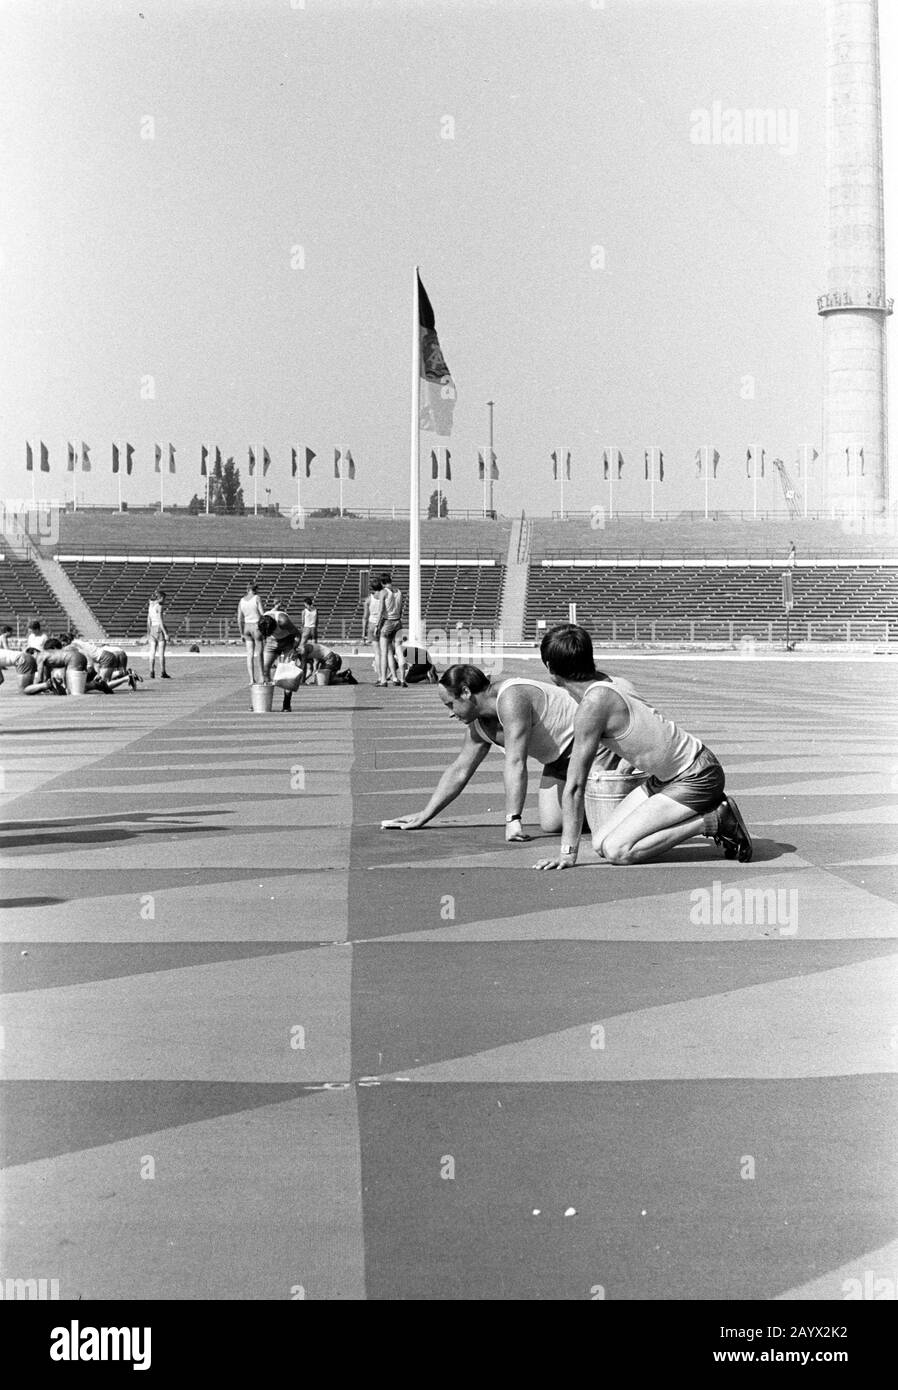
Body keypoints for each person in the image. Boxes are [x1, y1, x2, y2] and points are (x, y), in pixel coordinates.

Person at [532, 624, 752, 870]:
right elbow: (645, 729)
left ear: (550, 668)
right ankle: (707, 814)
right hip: (670, 775)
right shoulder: (615, 682)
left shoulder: (592, 706)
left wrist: (567, 854)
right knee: (600, 843)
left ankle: (714, 819)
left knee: (617, 851)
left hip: (697, 776)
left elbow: (574, 786)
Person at [381, 663, 613, 839]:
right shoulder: (478, 725)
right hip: (559, 758)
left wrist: (513, 820)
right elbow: (460, 770)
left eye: (450, 704)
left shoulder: (512, 697)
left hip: (593, 742)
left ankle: (626, 798)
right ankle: (597, 808)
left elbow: (516, 762)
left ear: (465, 692)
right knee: (552, 824)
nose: (450, 713)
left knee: (606, 821)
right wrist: (425, 814)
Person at [258, 608, 301, 709]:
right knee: (264, 668)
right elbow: (262, 639)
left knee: (288, 673)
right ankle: (262, 700)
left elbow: (298, 634)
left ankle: (286, 703)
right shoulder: (262, 622)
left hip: (287, 641)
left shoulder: (283, 621)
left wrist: (294, 649)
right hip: (271, 642)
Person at [375, 573, 404, 686]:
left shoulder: (384, 592)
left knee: (384, 653)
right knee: (396, 650)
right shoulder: (399, 591)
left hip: (388, 622)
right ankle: (397, 678)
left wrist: (377, 625)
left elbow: (381, 610)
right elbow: (401, 609)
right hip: (398, 622)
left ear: (382, 583)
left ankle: (383, 679)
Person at [237, 582, 265, 685]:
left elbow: (239, 618)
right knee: (260, 653)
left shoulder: (241, 600)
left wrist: (241, 633)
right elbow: (262, 613)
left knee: (249, 654)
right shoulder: (257, 598)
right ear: (255, 590)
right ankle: (262, 677)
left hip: (246, 627)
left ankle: (251, 679)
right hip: (256, 626)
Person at [362, 580, 385, 683]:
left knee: (377, 653)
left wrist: (363, 632)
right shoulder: (385, 597)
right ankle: (386, 675)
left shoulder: (368, 600)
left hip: (372, 625)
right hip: (383, 624)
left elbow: (365, 617)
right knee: (385, 652)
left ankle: (380, 676)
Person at [147, 589, 171, 679]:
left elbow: (148, 620)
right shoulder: (159, 606)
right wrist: (165, 633)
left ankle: (151, 672)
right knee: (161, 653)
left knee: (152, 651)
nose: (165, 601)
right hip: (159, 628)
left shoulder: (150, 605)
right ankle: (163, 672)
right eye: (164, 599)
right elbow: (160, 620)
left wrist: (149, 632)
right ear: (160, 598)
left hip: (152, 628)